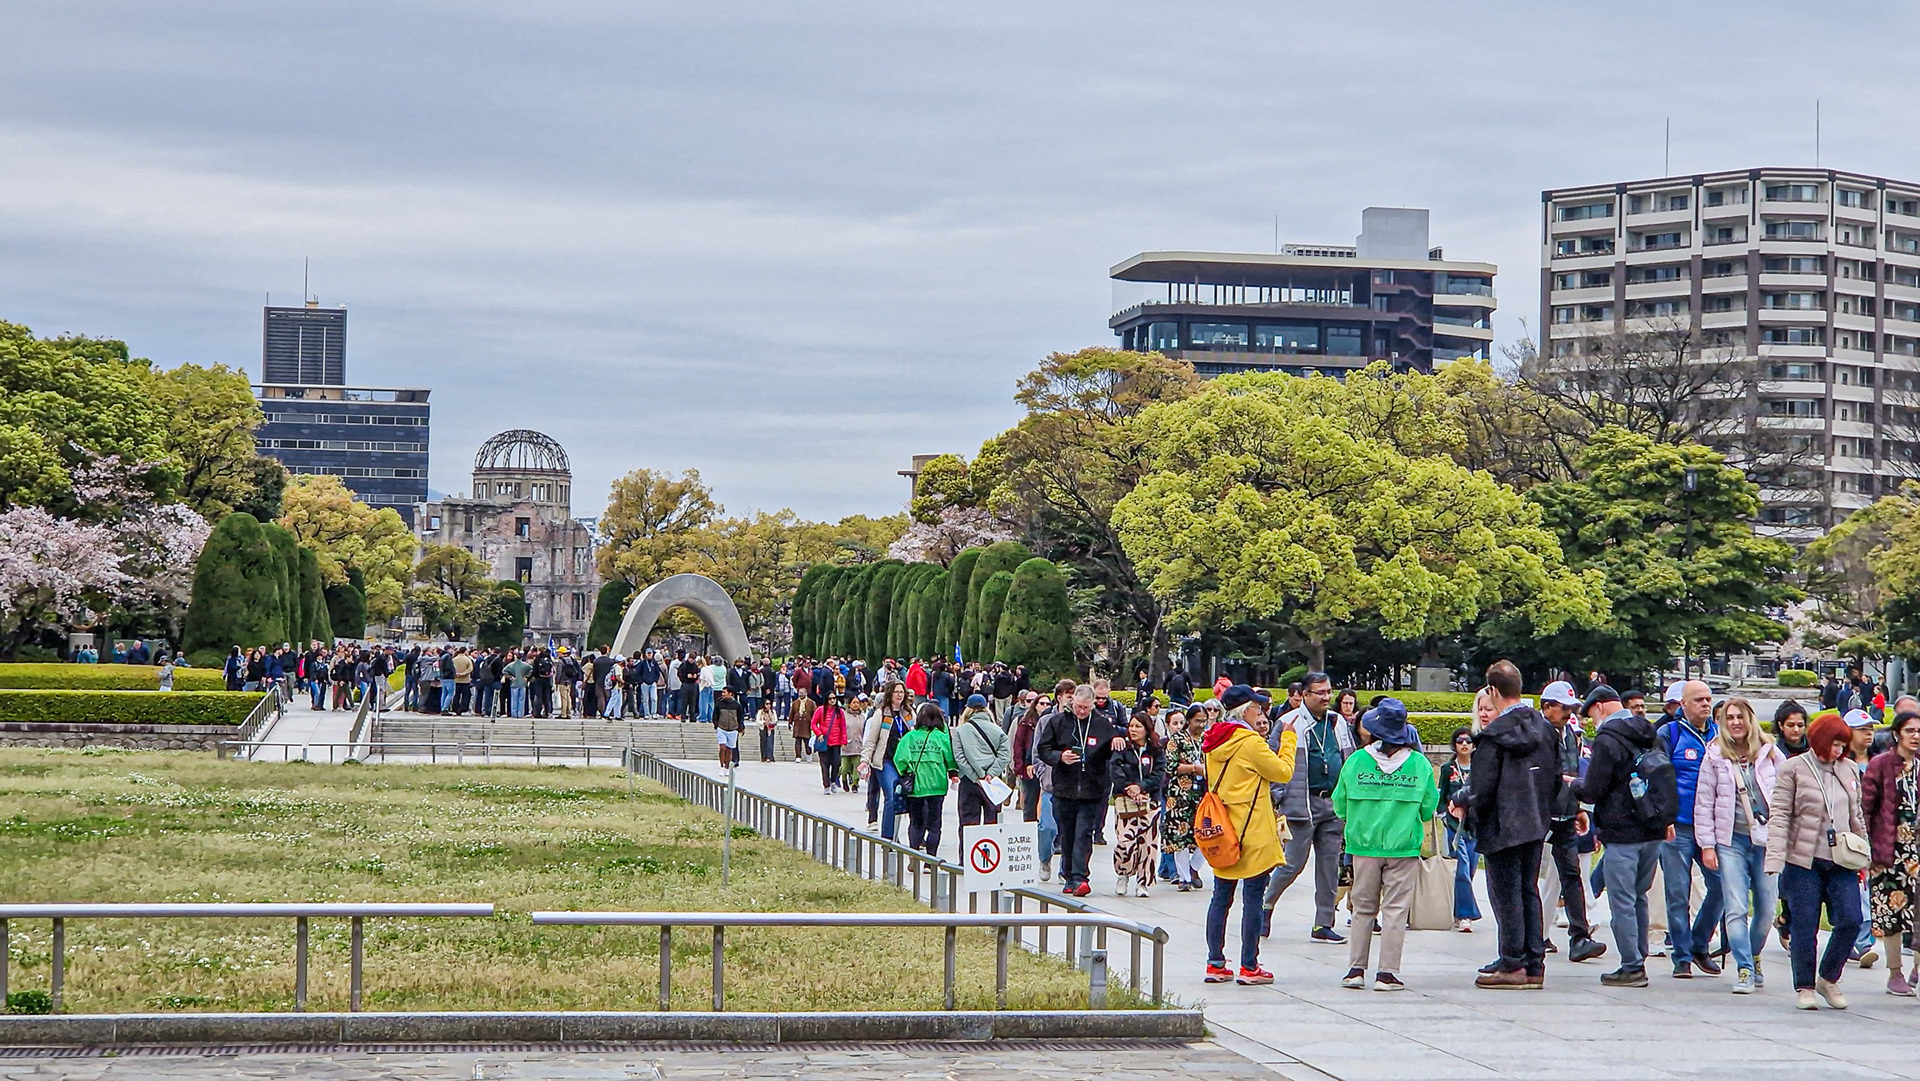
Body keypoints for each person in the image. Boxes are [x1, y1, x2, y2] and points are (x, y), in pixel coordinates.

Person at [1334, 698, 1439, 992]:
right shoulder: (1419, 764)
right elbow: (1428, 809)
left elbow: (1339, 804)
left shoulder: (1356, 761)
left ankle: (1355, 970)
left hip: (1363, 845)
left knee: (1363, 908)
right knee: (1395, 910)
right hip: (1403, 847)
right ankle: (1387, 974)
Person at [1575, 691, 1675, 988]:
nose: (1592, 722)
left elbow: (1593, 789)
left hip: (1621, 832)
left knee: (1622, 901)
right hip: (1652, 829)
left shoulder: (1608, 739)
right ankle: (1639, 956)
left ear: (1599, 708)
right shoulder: (1649, 732)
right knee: (1639, 896)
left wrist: (1573, 785)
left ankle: (1631, 966)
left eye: (1591, 715)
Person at [1767, 711, 1867, 1010]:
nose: (1838, 750)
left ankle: (1829, 977)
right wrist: (1775, 857)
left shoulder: (1849, 769)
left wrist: (1865, 855)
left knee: (1851, 919)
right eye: (1834, 744)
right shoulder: (1794, 768)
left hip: (1842, 859)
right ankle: (1805, 986)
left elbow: (1856, 815)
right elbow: (1780, 814)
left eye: (1842, 745)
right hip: (1804, 860)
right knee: (1804, 924)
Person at [1471, 660, 1559, 990]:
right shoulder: (1545, 729)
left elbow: (1482, 787)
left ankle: (1512, 961)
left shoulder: (1494, 735)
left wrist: (1472, 812)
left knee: (1506, 894)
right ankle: (1533, 962)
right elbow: (1556, 777)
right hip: (1536, 820)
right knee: (1528, 890)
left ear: (1493, 690)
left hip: (1502, 822)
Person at [1201, 685, 1297, 985]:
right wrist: (1289, 739)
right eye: (1257, 707)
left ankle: (1215, 963)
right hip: (1253, 830)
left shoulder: (1213, 739)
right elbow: (1282, 772)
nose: (1262, 712)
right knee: (1253, 898)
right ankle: (1249, 966)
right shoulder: (1249, 742)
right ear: (1246, 711)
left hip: (1223, 831)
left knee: (1221, 897)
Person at [1695, 695, 1787, 994]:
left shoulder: (1770, 752)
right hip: (1730, 839)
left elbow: (1787, 794)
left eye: (1740, 717)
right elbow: (1704, 802)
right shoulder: (1714, 756)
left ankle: (1754, 953)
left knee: (1766, 908)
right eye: (1730, 718)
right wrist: (1707, 845)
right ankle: (1744, 967)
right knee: (1735, 907)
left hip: (1766, 840)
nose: (1735, 723)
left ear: (1750, 719)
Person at [1263, 671, 1352, 944]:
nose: (1327, 697)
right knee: (1292, 864)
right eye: (1320, 692)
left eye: (1329, 691)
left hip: (1332, 803)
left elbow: (1348, 759)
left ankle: (1323, 923)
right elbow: (1271, 762)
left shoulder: (1337, 722)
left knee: (1329, 866)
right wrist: (1281, 795)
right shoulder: (1288, 723)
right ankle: (1265, 906)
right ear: (1304, 695)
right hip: (1302, 802)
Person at [1660, 679, 1724, 979]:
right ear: (1683, 704)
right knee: (1678, 893)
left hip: (1711, 826)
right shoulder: (1669, 734)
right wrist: (1662, 817)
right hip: (1679, 824)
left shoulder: (1720, 735)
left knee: (1722, 885)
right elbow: (1655, 776)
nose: (1706, 704)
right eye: (1698, 699)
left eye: (1708, 699)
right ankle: (1682, 956)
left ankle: (1699, 943)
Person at [1037, 684, 1126, 898]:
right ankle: (1068, 875)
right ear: (1072, 702)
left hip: (1092, 791)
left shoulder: (1102, 724)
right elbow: (1043, 749)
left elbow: (1114, 749)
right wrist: (1060, 757)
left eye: (1086, 707)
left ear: (1093, 704)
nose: (1081, 711)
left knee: (1083, 835)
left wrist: (1117, 738)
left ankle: (1080, 877)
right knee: (1066, 835)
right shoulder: (1058, 722)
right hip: (1064, 789)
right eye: (1078, 706)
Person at [1538, 680, 1605, 963]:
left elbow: (1572, 771)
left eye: (1572, 708)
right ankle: (1534, 936)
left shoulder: (1569, 734)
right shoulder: (1536, 732)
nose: (1569, 713)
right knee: (1533, 879)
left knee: (1572, 876)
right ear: (1547, 707)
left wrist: (1577, 807)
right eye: (1564, 708)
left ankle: (1580, 936)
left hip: (1565, 813)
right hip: (1539, 815)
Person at [1863, 710, 1920, 995]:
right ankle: (1895, 972)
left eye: (1919, 731)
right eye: (1910, 730)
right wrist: (1866, 848)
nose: (1915, 736)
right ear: (1897, 734)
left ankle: (1917, 968)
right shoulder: (1881, 764)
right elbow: (1866, 808)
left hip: (1917, 849)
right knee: (1892, 912)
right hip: (1889, 850)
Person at [1108, 713, 1164, 897]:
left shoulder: (1156, 750)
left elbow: (1159, 775)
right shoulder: (1122, 747)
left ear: (1147, 729)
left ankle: (1143, 882)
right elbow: (1115, 771)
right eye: (1131, 726)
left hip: (1150, 803)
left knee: (1148, 845)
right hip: (1126, 803)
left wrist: (1142, 787)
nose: (1133, 730)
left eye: (1138, 726)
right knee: (1125, 842)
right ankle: (1123, 874)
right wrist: (1130, 789)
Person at [892, 702, 957, 858]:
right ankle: (930, 860)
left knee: (916, 823)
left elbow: (899, 759)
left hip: (916, 787)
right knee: (935, 826)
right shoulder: (941, 737)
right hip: (937, 786)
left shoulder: (910, 737)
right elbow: (950, 759)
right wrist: (952, 773)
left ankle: (914, 856)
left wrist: (906, 772)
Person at [953, 694, 1013, 844]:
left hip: (969, 781)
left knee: (968, 824)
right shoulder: (997, 730)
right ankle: (991, 856)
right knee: (992, 824)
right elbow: (1005, 756)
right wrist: (990, 774)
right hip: (992, 782)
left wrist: (976, 776)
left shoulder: (961, 731)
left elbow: (959, 758)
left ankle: (967, 856)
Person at [1439, 726, 1480, 932]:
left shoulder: (1480, 767)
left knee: (1470, 870)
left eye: (1468, 741)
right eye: (1460, 741)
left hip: (1476, 825)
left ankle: (1457, 909)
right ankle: (1466, 915)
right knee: (1462, 867)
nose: (1464, 744)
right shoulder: (1448, 768)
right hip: (1454, 826)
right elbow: (1442, 796)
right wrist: (1444, 815)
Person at [1162, 707, 1208, 892]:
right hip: (1180, 793)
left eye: (1204, 720)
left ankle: (1194, 867)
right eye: (1198, 720)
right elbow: (1171, 766)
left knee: (1207, 832)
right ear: (1189, 720)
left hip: (1203, 793)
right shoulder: (1177, 739)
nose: (1201, 724)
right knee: (1179, 835)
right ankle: (1184, 877)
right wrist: (1195, 768)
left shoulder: (1207, 739)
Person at [862, 682, 914, 833]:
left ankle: (906, 835)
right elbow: (871, 740)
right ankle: (888, 837)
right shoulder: (881, 714)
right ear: (890, 694)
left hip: (905, 762)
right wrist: (864, 760)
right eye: (896, 691)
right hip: (886, 761)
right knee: (892, 795)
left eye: (901, 692)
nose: (899, 694)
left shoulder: (909, 714)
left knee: (908, 798)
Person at [809, 693, 849, 795]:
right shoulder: (820, 710)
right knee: (824, 764)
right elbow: (813, 723)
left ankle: (833, 781)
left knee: (836, 763)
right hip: (824, 741)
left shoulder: (839, 711)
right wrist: (819, 733)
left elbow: (843, 727)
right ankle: (826, 785)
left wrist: (844, 741)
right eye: (830, 698)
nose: (832, 700)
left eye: (834, 698)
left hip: (836, 742)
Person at [712, 686, 744, 769]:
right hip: (722, 728)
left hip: (733, 729)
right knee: (722, 747)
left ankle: (727, 767)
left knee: (730, 749)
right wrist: (716, 725)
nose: (722, 694)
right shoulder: (719, 703)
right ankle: (721, 766)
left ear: (730, 693)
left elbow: (740, 717)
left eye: (724, 692)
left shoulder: (737, 705)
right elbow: (715, 715)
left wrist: (740, 727)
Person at [756, 698, 780, 763]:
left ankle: (770, 757)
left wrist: (772, 723)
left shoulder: (773, 711)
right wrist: (764, 722)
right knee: (763, 742)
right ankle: (764, 756)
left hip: (770, 728)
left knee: (770, 742)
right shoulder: (760, 711)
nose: (768, 705)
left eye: (769, 704)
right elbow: (758, 720)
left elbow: (776, 719)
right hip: (763, 728)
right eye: (766, 704)